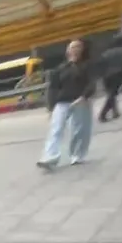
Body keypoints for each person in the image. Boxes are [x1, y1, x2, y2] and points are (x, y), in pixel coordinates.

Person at [38, 38, 97, 170]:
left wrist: (84, 96)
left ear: (82, 50)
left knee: (80, 130)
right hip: (62, 102)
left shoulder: (87, 66)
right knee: (56, 129)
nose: (75, 50)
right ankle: (50, 156)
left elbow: (92, 83)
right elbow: (53, 88)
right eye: (72, 47)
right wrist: (50, 107)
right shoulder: (60, 69)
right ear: (67, 51)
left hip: (81, 101)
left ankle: (77, 155)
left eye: (78, 47)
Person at [98, 34, 122, 122]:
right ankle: (102, 114)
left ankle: (115, 112)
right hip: (118, 74)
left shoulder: (106, 53)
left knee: (111, 93)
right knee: (112, 94)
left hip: (106, 76)